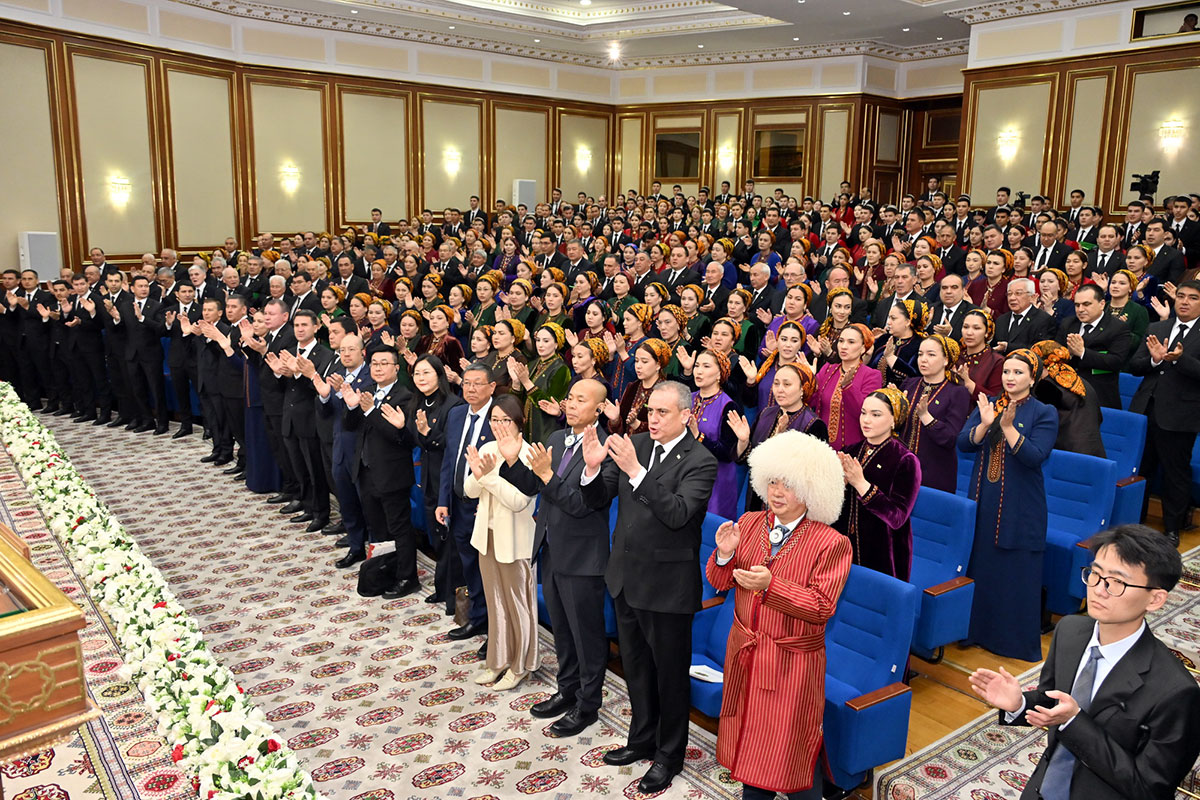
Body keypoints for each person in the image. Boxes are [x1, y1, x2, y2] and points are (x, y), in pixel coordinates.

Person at [970, 524, 1200, 800]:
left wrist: (1074, 722)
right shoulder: (1070, 632)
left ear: (1155, 599)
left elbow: (1149, 788)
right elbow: (1053, 700)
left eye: (1117, 582)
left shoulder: (1177, 692)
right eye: (1095, 574)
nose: (1099, 589)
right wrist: (1019, 703)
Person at [579, 381, 718, 795]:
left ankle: (669, 755)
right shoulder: (635, 444)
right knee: (636, 668)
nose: (651, 419)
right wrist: (592, 469)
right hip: (625, 578)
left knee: (670, 677)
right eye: (649, 412)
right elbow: (599, 498)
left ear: (686, 416)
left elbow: (677, 514)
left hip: (667, 587)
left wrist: (636, 472)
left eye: (662, 413)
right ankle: (641, 739)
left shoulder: (701, 461)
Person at [706, 430, 850, 800]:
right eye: (772, 481)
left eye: (789, 484)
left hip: (791, 665)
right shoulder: (750, 522)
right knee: (749, 748)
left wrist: (771, 586)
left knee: (791, 751)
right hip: (745, 655)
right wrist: (724, 555)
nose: (777, 492)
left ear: (812, 490)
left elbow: (821, 606)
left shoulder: (832, 543)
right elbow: (720, 582)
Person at [498, 379, 615, 736]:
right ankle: (567, 690)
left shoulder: (607, 449)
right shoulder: (557, 438)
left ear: (599, 409)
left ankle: (588, 705)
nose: (572, 404)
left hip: (583, 557)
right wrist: (513, 460)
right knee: (562, 630)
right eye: (570, 398)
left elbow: (581, 505)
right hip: (550, 548)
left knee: (586, 636)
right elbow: (536, 486)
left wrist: (548, 474)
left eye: (581, 400)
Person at [958, 349, 1058, 661]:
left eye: (1018, 372)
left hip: (1021, 504)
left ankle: (1011, 643)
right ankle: (974, 633)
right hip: (983, 499)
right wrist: (985, 424)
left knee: (1014, 570)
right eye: (1006, 372)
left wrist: (1009, 427)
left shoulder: (1044, 412)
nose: (1010, 378)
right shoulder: (989, 404)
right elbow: (963, 443)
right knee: (981, 562)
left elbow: (1035, 456)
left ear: (1032, 377)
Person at [463, 394, 539, 691]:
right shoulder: (488, 448)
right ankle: (497, 661)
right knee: (495, 603)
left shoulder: (528, 453)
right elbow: (470, 491)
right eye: (494, 419)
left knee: (519, 606)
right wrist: (478, 475)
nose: (498, 425)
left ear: (519, 422)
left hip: (516, 540)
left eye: (505, 420)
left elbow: (519, 502)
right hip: (488, 536)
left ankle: (521, 666)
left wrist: (489, 478)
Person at [343, 347, 421, 596]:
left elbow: (399, 437)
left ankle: (408, 577)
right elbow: (350, 426)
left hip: (392, 474)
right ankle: (385, 572)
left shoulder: (404, 397)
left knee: (399, 528)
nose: (377, 368)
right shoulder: (368, 391)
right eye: (374, 363)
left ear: (396, 368)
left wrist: (370, 411)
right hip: (366, 471)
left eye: (384, 363)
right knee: (378, 529)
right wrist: (352, 407)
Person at [1129, 279, 1200, 545]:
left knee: (1175, 474)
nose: (1184, 302)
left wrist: (1180, 359)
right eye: (1181, 296)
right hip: (1145, 411)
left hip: (1180, 415)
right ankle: (1135, 524)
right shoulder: (1157, 327)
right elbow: (1135, 366)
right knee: (1140, 471)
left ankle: (1172, 529)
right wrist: (1153, 359)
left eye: (1193, 298)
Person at [436, 363, 497, 646]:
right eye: (467, 383)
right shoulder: (457, 413)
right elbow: (450, 460)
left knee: (490, 569)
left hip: (487, 507)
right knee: (469, 564)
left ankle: (497, 630)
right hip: (459, 505)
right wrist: (443, 500)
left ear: (492, 387)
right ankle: (478, 617)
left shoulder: (500, 417)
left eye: (477, 383)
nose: (470, 389)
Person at [834, 387, 921, 580]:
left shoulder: (905, 460)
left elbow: (897, 517)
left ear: (894, 420)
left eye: (876, 415)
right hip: (844, 546)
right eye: (863, 413)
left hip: (883, 552)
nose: (866, 420)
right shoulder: (851, 451)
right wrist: (839, 483)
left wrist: (860, 483)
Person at [268, 310, 335, 532]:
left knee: (315, 470)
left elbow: (320, 390)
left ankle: (321, 513)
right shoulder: (288, 351)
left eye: (304, 325)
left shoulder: (324, 355)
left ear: (316, 327)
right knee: (298, 467)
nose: (299, 329)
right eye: (296, 325)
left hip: (311, 419)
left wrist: (298, 373)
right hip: (290, 418)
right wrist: (279, 373)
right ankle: (307, 506)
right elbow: (281, 388)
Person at [730, 363, 826, 511]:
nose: (780, 389)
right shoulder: (766, 414)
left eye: (787, 384)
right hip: (757, 499)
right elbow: (749, 460)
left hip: (789, 505)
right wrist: (743, 441)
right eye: (776, 383)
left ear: (803, 389)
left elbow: (810, 478)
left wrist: (779, 443)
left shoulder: (813, 425)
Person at [409, 353, 464, 612]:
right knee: (437, 538)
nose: (421, 378)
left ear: (439, 375)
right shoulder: (419, 403)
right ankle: (442, 587)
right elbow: (418, 440)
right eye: (417, 373)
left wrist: (428, 434)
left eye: (426, 373)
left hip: (447, 482)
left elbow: (451, 445)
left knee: (450, 541)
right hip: (428, 479)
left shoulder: (453, 405)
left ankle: (454, 595)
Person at [900, 335, 972, 493]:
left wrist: (926, 416)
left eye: (931, 355)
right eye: (920, 354)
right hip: (903, 466)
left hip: (935, 472)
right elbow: (898, 427)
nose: (923, 359)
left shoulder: (957, 392)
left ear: (946, 360)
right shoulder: (909, 384)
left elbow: (950, 438)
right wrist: (894, 407)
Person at [1055, 284, 1130, 409]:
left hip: (1099, 396)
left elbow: (1116, 361)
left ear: (1101, 304)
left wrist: (1082, 352)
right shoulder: (1068, 323)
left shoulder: (1117, 328)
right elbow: (1054, 353)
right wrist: (1068, 353)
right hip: (1066, 392)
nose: (1080, 309)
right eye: (1077, 305)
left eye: (1086, 304)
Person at [811, 324, 884, 450]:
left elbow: (864, 413)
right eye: (841, 341)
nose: (844, 346)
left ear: (863, 348)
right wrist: (808, 378)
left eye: (851, 342)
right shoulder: (827, 369)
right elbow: (811, 401)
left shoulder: (871, 376)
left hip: (853, 449)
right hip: (821, 447)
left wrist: (848, 387)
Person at [1031, 340, 1106, 458]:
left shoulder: (1047, 385)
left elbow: (1039, 423)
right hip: (1094, 451)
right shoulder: (1078, 379)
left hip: (1068, 454)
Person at [690, 349, 741, 519]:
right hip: (687, 474)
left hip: (716, 480)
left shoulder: (728, 406)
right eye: (697, 365)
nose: (699, 371)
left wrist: (699, 436)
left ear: (719, 374)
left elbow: (727, 453)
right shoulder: (688, 399)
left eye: (706, 366)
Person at [510, 322, 570, 445]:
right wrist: (516, 383)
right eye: (538, 340)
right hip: (526, 430)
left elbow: (550, 405)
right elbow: (518, 401)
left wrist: (526, 382)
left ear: (556, 344)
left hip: (545, 431)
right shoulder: (532, 364)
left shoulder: (561, 369)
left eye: (546, 341)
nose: (540, 345)